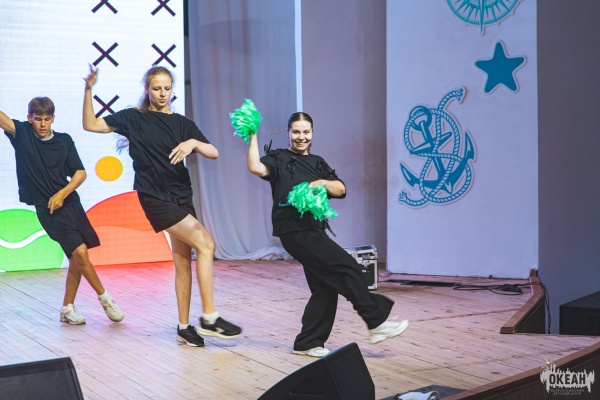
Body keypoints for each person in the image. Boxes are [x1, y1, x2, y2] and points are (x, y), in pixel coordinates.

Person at [82, 65, 241, 347]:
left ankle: (184, 327)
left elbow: (213, 152)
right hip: (155, 197)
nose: (162, 93)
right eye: (157, 88)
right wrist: (88, 89)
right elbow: (91, 125)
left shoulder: (181, 124)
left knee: (183, 261)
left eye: (167, 88)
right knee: (206, 244)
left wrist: (193, 142)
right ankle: (210, 318)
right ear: (147, 89)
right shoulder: (134, 118)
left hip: (182, 196)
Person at [246, 112, 409, 357]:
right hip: (294, 232)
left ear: (312, 133)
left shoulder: (317, 163)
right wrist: (252, 136)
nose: (301, 137)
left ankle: (308, 342)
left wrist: (319, 183)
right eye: (296, 132)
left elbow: (340, 189)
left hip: (314, 230)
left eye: (306, 132)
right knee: (348, 267)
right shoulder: (278, 159)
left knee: (325, 288)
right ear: (288, 133)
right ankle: (375, 321)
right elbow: (255, 167)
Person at [1, 97, 125, 325]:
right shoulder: (23, 134)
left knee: (76, 258)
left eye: (47, 119)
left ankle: (67, 308)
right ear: (29, 118)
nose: (42, 124)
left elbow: (80, 173)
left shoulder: (64, 140)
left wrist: (62, 194)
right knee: (80, 253)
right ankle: (105, 299)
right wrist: (55, 198)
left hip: (70, 203)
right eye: (38, 119)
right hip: (47, 208)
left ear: (53, 119)